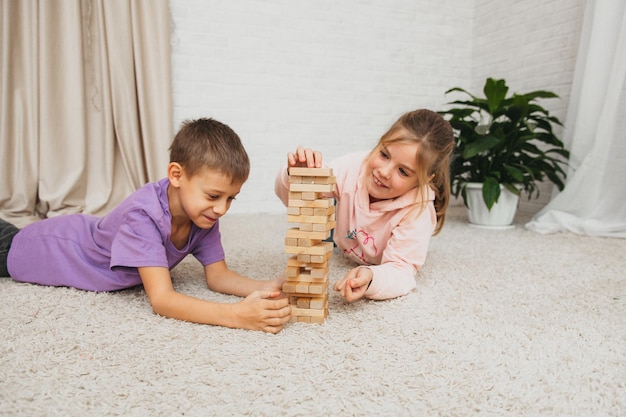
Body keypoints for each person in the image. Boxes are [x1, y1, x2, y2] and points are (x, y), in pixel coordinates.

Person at [0, 118, 291, 333]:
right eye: (214, 196)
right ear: (176, 175)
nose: (222, 209)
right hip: (43, 247)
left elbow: (218, 277)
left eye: (231, 199)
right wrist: (237, 315)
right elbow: (163, 300)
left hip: (74, 234)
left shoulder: (203, 217)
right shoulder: (144, 216)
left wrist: (269, 286)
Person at [275, 109, 454, 302]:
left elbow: (401, 270)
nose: (384, 172)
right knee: (315, 215)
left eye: (403, 171)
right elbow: (293, 200)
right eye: (384, 154)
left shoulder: (418, 212)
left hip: (373, 242)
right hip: (344, 224)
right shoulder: (354, 165)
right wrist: (297, 175)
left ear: (423, 180)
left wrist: (372, 278)